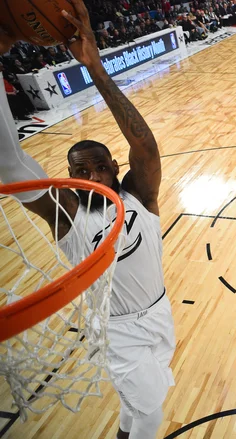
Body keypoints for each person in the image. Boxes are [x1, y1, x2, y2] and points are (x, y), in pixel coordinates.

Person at [0, 2, 176, 438]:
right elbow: (14, 164)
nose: (91, 177)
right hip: (117, 329)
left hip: (160, 312)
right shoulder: (66, 214)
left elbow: (146, 145)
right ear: (70, 177)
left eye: (99, 167)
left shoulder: (140, 196)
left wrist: (95, 66)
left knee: (138, 408)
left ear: (114, 167)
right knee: (152, 415)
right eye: (80, 171)